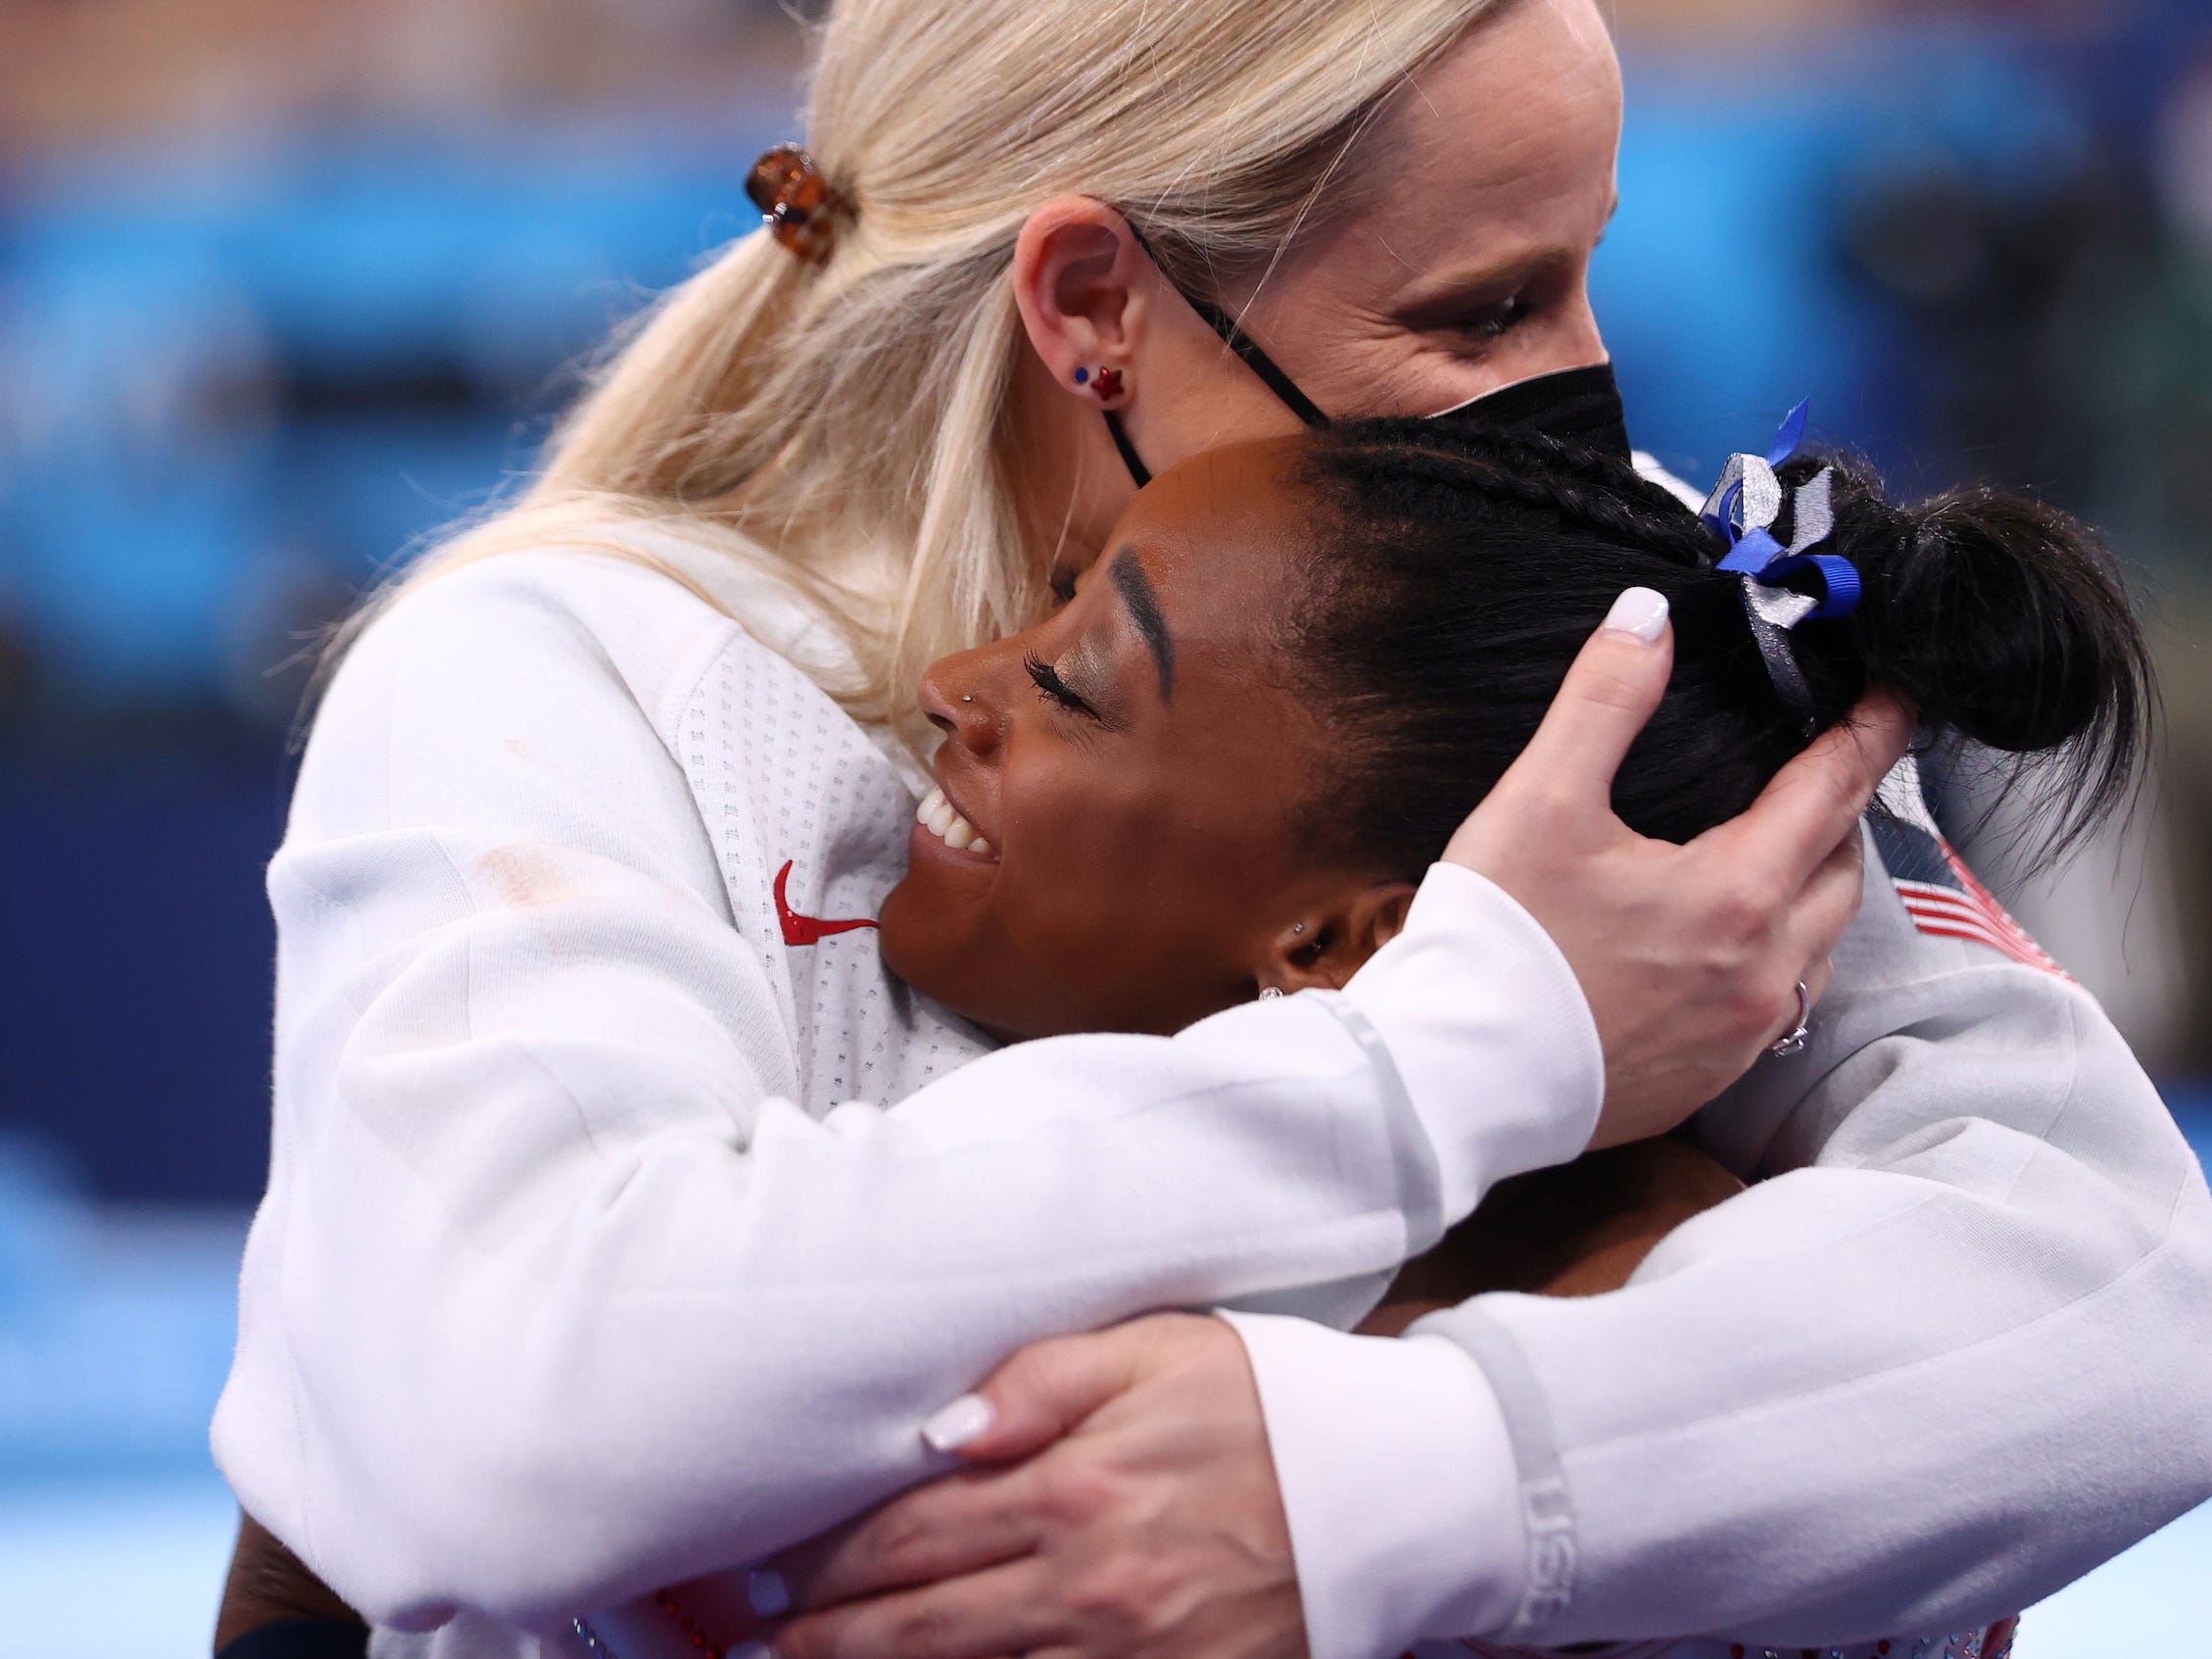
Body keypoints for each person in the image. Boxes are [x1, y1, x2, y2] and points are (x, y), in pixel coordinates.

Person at [210, 0, 2212, 1655]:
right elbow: (508, 1404)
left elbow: (2119, 1282)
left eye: (1583, 277)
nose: (1584, 406)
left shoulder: (1583, 637)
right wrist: (1461, 1043)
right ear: (1093, 306)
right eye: (1484, 305)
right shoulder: (561, 674)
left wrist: (1386, 1479)